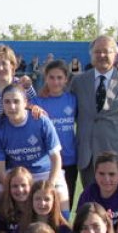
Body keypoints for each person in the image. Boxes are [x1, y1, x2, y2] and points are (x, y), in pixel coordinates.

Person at [71, 35, 118, 189]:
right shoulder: (78, 82)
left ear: (116, 55)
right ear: (91, 54)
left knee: (117, 207)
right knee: (92, 207)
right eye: (97, 52)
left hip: (117, 158)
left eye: (106, 51)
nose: (102, 55)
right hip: (87, 158)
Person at [33, 60, 79, 201]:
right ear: (45, 78)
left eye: (59, 78)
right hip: (46, 162)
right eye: (51, 77)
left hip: (70, 160)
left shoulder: (72, 100)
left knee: (66, 203)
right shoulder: (37, 102)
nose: (55, 82)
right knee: (46, 202)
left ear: (66, 79)